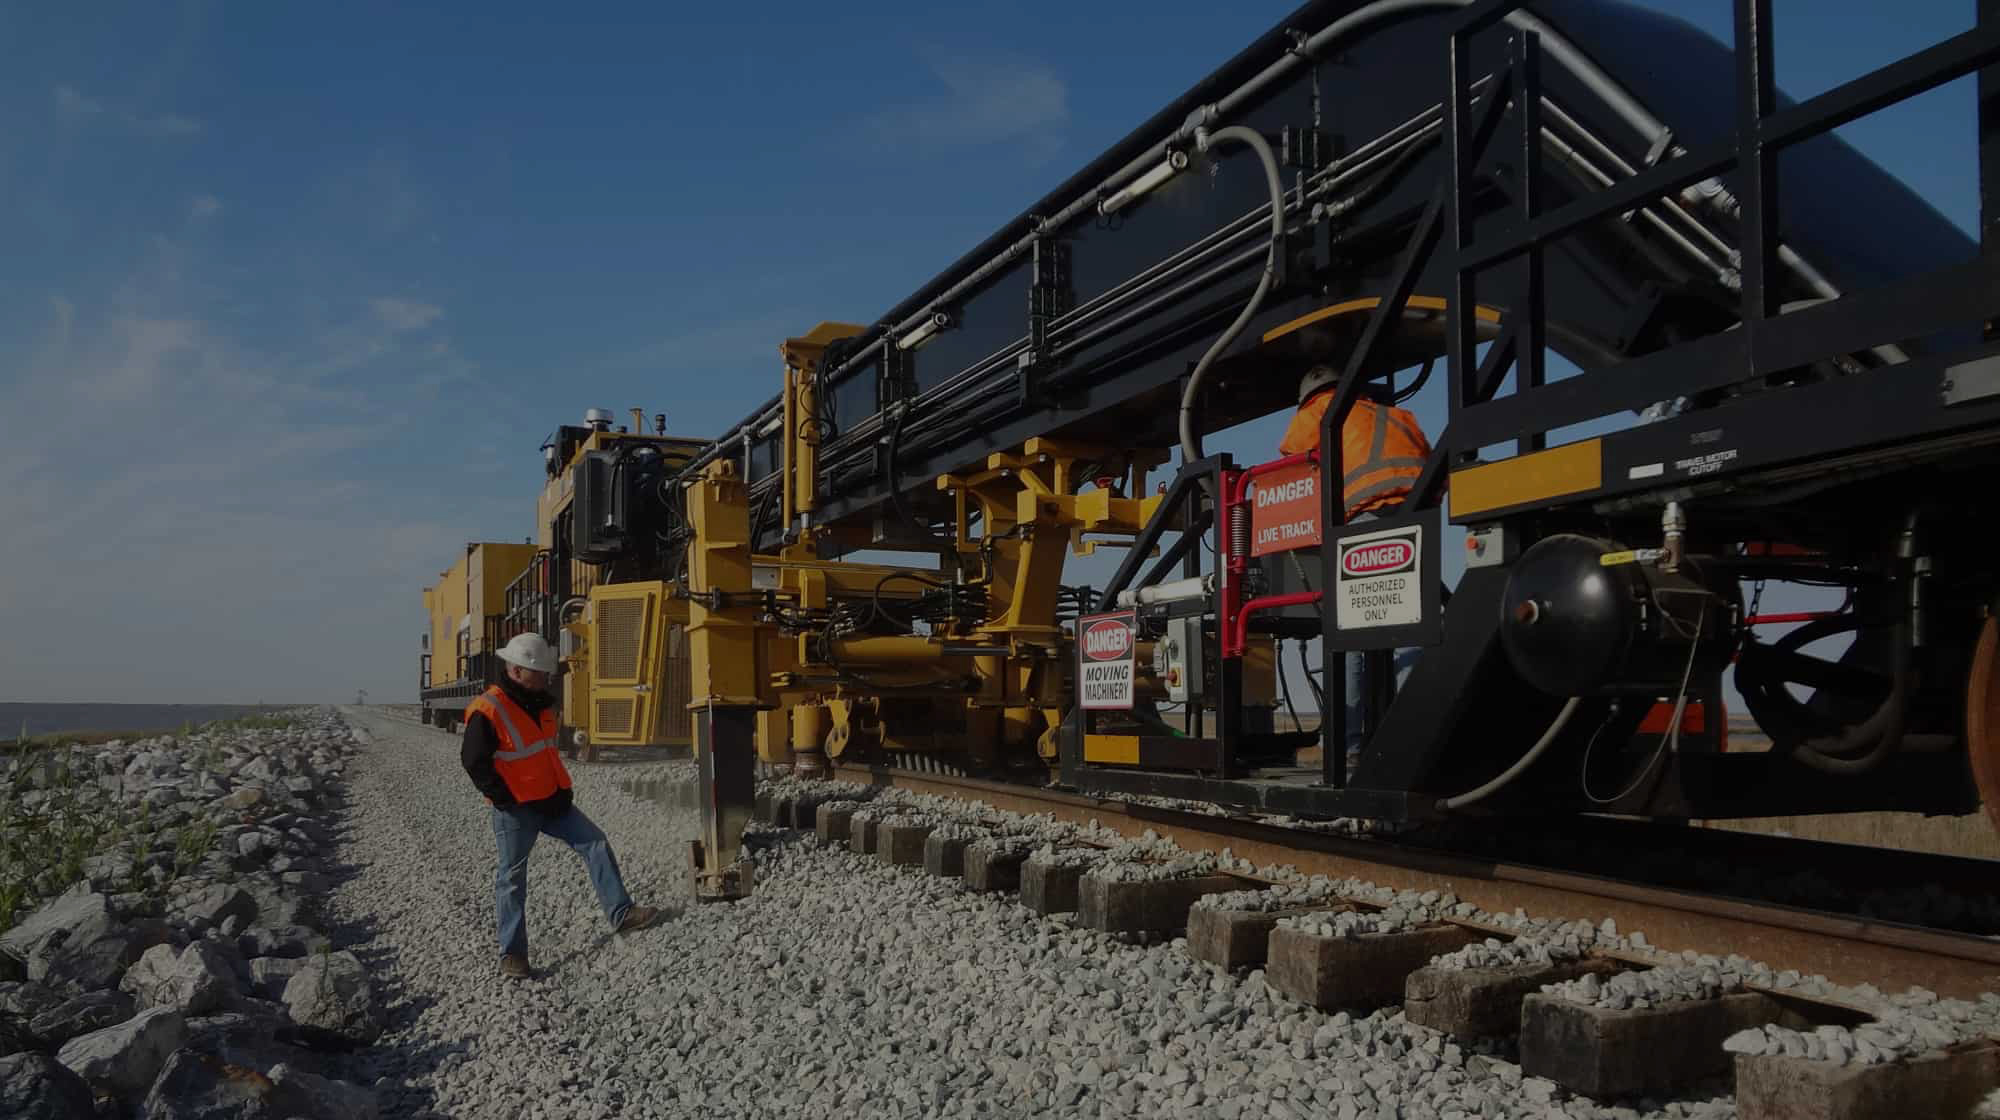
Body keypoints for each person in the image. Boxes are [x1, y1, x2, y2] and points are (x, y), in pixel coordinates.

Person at [461, 632, 661, 978]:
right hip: (516, 810)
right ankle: (513, 955)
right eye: (538, 672)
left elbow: (543, 755)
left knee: (595, 843)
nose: (545, 677)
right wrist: (503, 798)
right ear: (516, 670)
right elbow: (474, 761)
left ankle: (622, 914)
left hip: (552, 802)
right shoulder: (488, 710)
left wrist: (560, 791)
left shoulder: (540, 704)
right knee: (511, 877)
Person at [1278, 366, 1431, 760]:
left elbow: (1291, 458)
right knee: (1408, 624)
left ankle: (1343, 747)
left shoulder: (1321, 409)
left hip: (1367, 511)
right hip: (1417, 510)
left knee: (1350, 635)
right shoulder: (1396, 414)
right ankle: (1414, 738)